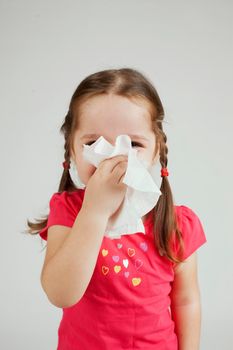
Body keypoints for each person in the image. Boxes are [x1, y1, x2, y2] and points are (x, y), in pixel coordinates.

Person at [27, 67, 207, 350]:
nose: (113, 156)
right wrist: (95, 211)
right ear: (72, 150)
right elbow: (60, 293)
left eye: (133, 143)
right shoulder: (69, 212)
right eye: (93, 143)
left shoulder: (176, 222)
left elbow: (186, 300)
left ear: (156, 149)